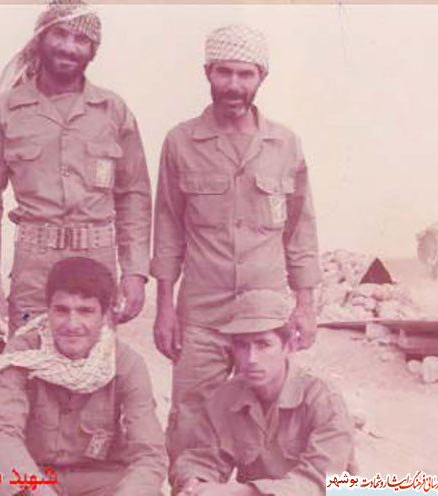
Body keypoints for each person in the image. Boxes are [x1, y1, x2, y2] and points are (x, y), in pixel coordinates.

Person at [150, 24, 322, 462]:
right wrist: (165, 308)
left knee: (269, 420)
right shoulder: (181, 142)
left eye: (245, 74)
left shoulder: (285, 144)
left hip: (266, 314)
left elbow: (300, 231)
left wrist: (305, 305)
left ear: (261, 77)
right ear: (207, 73)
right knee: (191, 419)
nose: (233, 84)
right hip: (203, 313)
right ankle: (191, 487)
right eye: (224, 72)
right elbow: (167, 227)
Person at [0, 0, 151, 335]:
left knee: (93, 359)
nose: (69, 47)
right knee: (28, 353)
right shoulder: (5, 111)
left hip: (97, 262)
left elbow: (134, 196)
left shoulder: (113, 111)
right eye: (60, 34)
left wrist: (135, 272)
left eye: (81, 40)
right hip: (33, 267)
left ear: (93, 50)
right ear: (41, 37)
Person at [0, 256, 166, 496]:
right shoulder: (23, 354)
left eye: (85, 311)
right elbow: (1, 433)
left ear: (106, 315)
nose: (72, 324)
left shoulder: (125, 364)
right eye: (61, 310)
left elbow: (149, 454)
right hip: (35, 477)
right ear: (48, 310)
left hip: (103, 482)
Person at [170, 289, 355, 496]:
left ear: (289, 346)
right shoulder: (226, 397)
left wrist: (242, 492)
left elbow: (323, 482)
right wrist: (195, 483)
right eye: (242, 345)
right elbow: (203, 457)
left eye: (263, 344)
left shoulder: (322, 398)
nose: (251, 359)